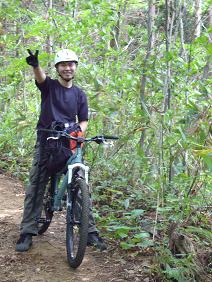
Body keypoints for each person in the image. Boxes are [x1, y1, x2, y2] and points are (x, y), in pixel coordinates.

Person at [15, 49, 106, 252]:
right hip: (47, 141)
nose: (68, 68)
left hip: (70, 144)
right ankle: (27, 231)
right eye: (63, 65)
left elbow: (83, 120)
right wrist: (35, 65)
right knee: (37, 185)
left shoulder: (80, 94)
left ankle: (89, 232)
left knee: (80, 183)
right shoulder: (51, 87)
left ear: (75, 67)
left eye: (71, 64)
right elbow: (41, 79)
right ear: (57, 68)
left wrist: (78, 133)